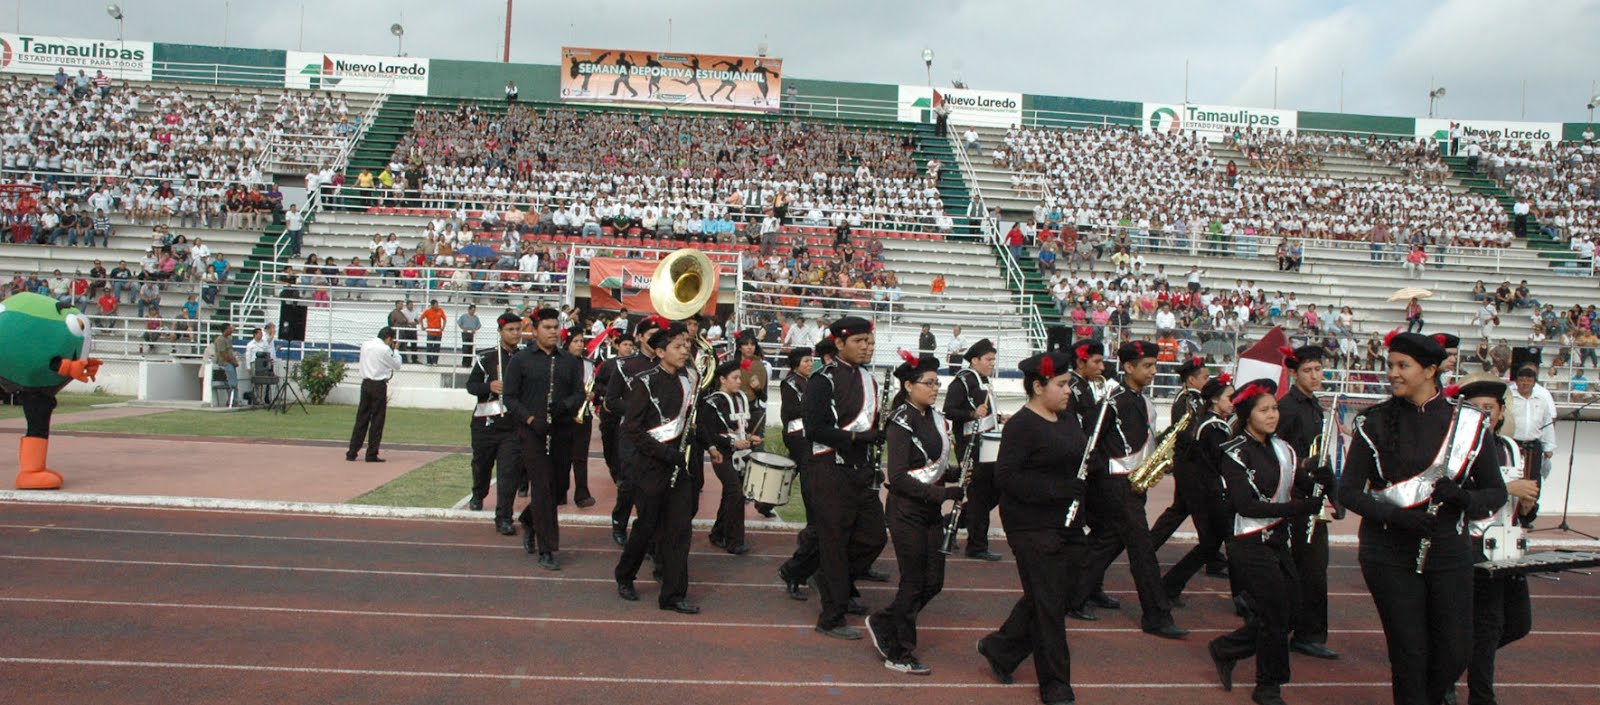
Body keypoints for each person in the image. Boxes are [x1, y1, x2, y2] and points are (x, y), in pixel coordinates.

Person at [1338, 331, 1507, 705]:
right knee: (1410, 653)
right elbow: (1347, 492)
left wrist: (1463, 497)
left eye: (1403, 366)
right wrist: (1395, 516)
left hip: (1450, 551)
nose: (1393, 373)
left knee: (1455, 651)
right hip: (1388, 552)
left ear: (1431, 370)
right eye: (1391, 365)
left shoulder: (1469, 423)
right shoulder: (1373, 422)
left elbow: (1496, 493)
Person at [975, 349, 1089, 705]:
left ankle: (1000, 647)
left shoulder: (1069, 419)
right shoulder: (1022, 426)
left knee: (1058, 594)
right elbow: (1006, 479)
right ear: (1038, 386)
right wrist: (1058, 489)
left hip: (1067, 521)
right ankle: (1055, 683)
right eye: (1061, 384)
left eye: (1069, 383)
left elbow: (1076, 462)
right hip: (1030, 525)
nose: (1069, 391)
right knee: (1050, 607)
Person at [1207, 379, 1329, 705]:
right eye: (1265, 410)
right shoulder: (1233, 454)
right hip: (1247, 542)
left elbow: (1301, 483)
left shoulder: (1285, 450)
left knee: (1292, 614)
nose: (1273, 415)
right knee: (1275, 614)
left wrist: (1322, 479)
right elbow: (1246, 505)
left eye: (1274, 408)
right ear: (1248, 415)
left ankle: (1226, 649)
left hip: (1277, 541)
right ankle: (1268, 686)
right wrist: (1297, 508)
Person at [1071, 340, 1187, 639]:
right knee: (1142, 549)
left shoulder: (1142, 402)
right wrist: (1102, 483)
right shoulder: (1113, 401)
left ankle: (1074, 595)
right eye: (1146, 366)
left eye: (1154, 366)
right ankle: (1157, 616)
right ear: (1128, 367)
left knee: (1108, 542)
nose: (1152, 372)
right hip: (1115, 486)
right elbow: (1090, 443)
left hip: (1133, 483)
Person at [864, 351, 957, 675]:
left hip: (930, 509)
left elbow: (931, 462)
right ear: (908, 385)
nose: (935, 388)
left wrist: (956, 474)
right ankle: (899, 651)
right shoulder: (900, 421)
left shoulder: (934, 416)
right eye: (928, 383)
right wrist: (943, 493)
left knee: (934, 581)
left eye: (937, 382)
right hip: (906, 511)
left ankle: (884, 620)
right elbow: (900, 477)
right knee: (914, 581)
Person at [805, 316, 889, 639]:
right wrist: (855, 440)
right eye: (859, 342)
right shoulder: (822, 380)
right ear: (839, 344)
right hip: (830, 471)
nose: (867, 347)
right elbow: (815, 429)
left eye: (869, 342)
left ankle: (831, 583)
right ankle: (831, 616)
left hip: (860, 471)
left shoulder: (870, 380)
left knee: (874, 536)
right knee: (835, 543)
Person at [1458, 375, 1540, 705]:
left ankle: (1450, 666)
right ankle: (1481, 696)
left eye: (1488, 409)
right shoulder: (1459, 452)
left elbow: (1521, 509)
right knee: (1488, 624)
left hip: (1508, 543)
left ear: (1501, 412)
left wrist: (1530, 506)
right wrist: (1507, 489)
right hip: (1474, 544)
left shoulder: (1510, 448)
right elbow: (1459, 498)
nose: (1482, 415)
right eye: (1474, 409)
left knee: (1518, 623)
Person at [615, 323, 703, 614]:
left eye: (686, 346)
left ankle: (674, 595)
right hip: (651, 467)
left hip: (680, 468)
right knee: (646, 527)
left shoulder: (689, 381)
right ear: (661, 351)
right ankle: (625, 575)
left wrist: (689, 441)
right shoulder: (645, 382)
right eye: (678, 347)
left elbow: (688, 421)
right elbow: (632, 428)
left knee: (680, 531)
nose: (684, 350)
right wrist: (663, 452)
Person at [501, 308, 584, 571]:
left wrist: (565, 405)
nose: (553, 332)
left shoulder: (569, 361)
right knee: (542, 487)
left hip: (561, 431)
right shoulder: (521, 360)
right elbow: (510, 398)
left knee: (558, 490)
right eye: (547, 327)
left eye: (555, 327)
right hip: (532, 433)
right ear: (535, 330)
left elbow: (579, 393)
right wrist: (529, 420)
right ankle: (547, 549)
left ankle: (529, 518)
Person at [1273, 345, 1339, 661]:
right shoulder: (1286, 408)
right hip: (1297, 497)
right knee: (1309, 568)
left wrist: (1332, 494)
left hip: (1313, 495)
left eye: (1318, 369)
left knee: (1312, 566)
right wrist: (1304, 474)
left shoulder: (1315, 407)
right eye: (1309, 371)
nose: (1316, 376)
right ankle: (1305, 633)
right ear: (1294, 374)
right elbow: (1280, 454)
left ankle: (1300, 628)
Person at [1161, 374, 1236, 600]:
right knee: (1225, 544)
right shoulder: (1213, 427)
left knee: (1211, 545)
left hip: (1204, 491)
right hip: (1210, 493)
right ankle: (1244, 598)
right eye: (1230, 397)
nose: (1234, 401)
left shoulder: (1207, 422)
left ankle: (1170, 585)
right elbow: (1219, 462)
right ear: (1215, 400)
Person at [1151, 356, 1226, 577]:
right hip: (1191, 466)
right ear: (1191, 379)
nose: (1207, 380)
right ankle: (1211, 556)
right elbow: (1192, 430)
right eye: (1204, 377)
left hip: (1189, 465)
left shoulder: (1192, 398)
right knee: (1201, 513)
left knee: (1180, 511)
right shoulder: (1189, 400)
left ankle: (1148, 546)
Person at [604, 316, 670, 545]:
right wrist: (638, 412)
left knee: (653, 487)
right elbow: (611, 400)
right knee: (630, 483)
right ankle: (619, 522)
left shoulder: (667, 364)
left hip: (661, 435)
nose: (656, 340)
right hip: (631, 434)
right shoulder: (625, 365)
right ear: (639, 337)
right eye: (650, 336)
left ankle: (648, 531)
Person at [943, 338, 1002, 560]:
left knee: (992, 492)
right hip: (971, 445)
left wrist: (998, 417)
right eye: (988, 359)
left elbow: (983, 414)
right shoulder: (963, 381)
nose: (992, 363)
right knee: (979, 495)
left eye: (993, 359)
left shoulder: (983, 380)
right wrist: (971, 414)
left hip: (988, 444)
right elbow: (949, 410)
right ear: (975, 360)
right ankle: (977, 545)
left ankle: (952, 522)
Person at [702, 358, 761, 555]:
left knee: (731, 494)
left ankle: (718, 533)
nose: (738, 381)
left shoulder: (741, 399)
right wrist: (732, 443)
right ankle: (734, 541)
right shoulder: (712, 403)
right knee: (736, 493)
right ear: (722, 379)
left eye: (739, 378)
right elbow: (708, 433)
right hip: (722, 455)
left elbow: (740, 427)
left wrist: (750, 437)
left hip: (742, 455)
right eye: (734, 378)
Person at [466, 314, 522, 513]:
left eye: (518, 329)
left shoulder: (524, 358)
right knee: (481, 465)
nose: (515, 334)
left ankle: (504, 514)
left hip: (513, 426)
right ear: (500, 332)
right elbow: (471, 386)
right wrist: (489, 386)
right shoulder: (487, 357)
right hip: (485, 424)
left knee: (508, 471)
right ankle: (478, 494)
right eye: (510, 330)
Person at [777, 345, 816, 599]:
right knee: (806, 479)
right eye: (805, 360)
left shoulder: (809, 381)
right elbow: (791, 411)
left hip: (810, 435)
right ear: (795, 363)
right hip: (798, 434)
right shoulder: (791, 383)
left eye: (811, 360)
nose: (810, 364)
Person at [347, 326, 401, 462]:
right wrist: (396, 350)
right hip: (378, 384)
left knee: (361, 418)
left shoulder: (365, 345)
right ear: (388, 338)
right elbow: (397, 365)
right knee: (377, 420)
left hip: (365, 383)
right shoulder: (385, 349)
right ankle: (371, 453)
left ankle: (352, 451)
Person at [736, 331, 776, 517]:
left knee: (758, 451)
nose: (750, 347)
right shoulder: (733, 366)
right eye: (746, 344)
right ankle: (740, 489)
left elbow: (764, 396)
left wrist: (758, 389)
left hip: (756, 411)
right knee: (739, 451)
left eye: (752, 344)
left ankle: (756, 492)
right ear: (740, 346)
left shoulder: (763, 365)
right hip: (736, 412)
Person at [559, 329, 597, 508]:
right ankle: (560, 492)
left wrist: (593, 395)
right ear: (567, 343)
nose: (580, 344)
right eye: (575, 341)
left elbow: (596, 385)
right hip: (564, 415)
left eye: (582, 341)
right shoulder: (559, 362)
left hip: (584, 416)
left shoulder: (589, 364)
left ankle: (582, 494)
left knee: (580, 457)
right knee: (562, 457)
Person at [1508, 366, 1556, 499]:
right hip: (1513, 445)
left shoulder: (1541, 400)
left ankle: (1529, 513)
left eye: (1529, 380)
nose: (1525, 383)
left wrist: (1549, 447)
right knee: (1513, 477)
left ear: (1534, 382)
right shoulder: (1509, 399)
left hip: (1534, 446)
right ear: (1516, 382)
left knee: (1533, 479)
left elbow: (1547, 425)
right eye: (1522, 380)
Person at [421, 300, 447, 365]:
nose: (437, 306)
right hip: (430, 332)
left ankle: (435, 361)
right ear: (432, 305)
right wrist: (422, 326)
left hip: (438, 332)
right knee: (429, 347)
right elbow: (421, 318)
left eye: (437, 304)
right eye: (436, 305)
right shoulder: (428, 311)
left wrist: (443, 327)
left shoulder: (440, 310)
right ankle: (429, 361)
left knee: (437, 347)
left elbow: (444, 319)